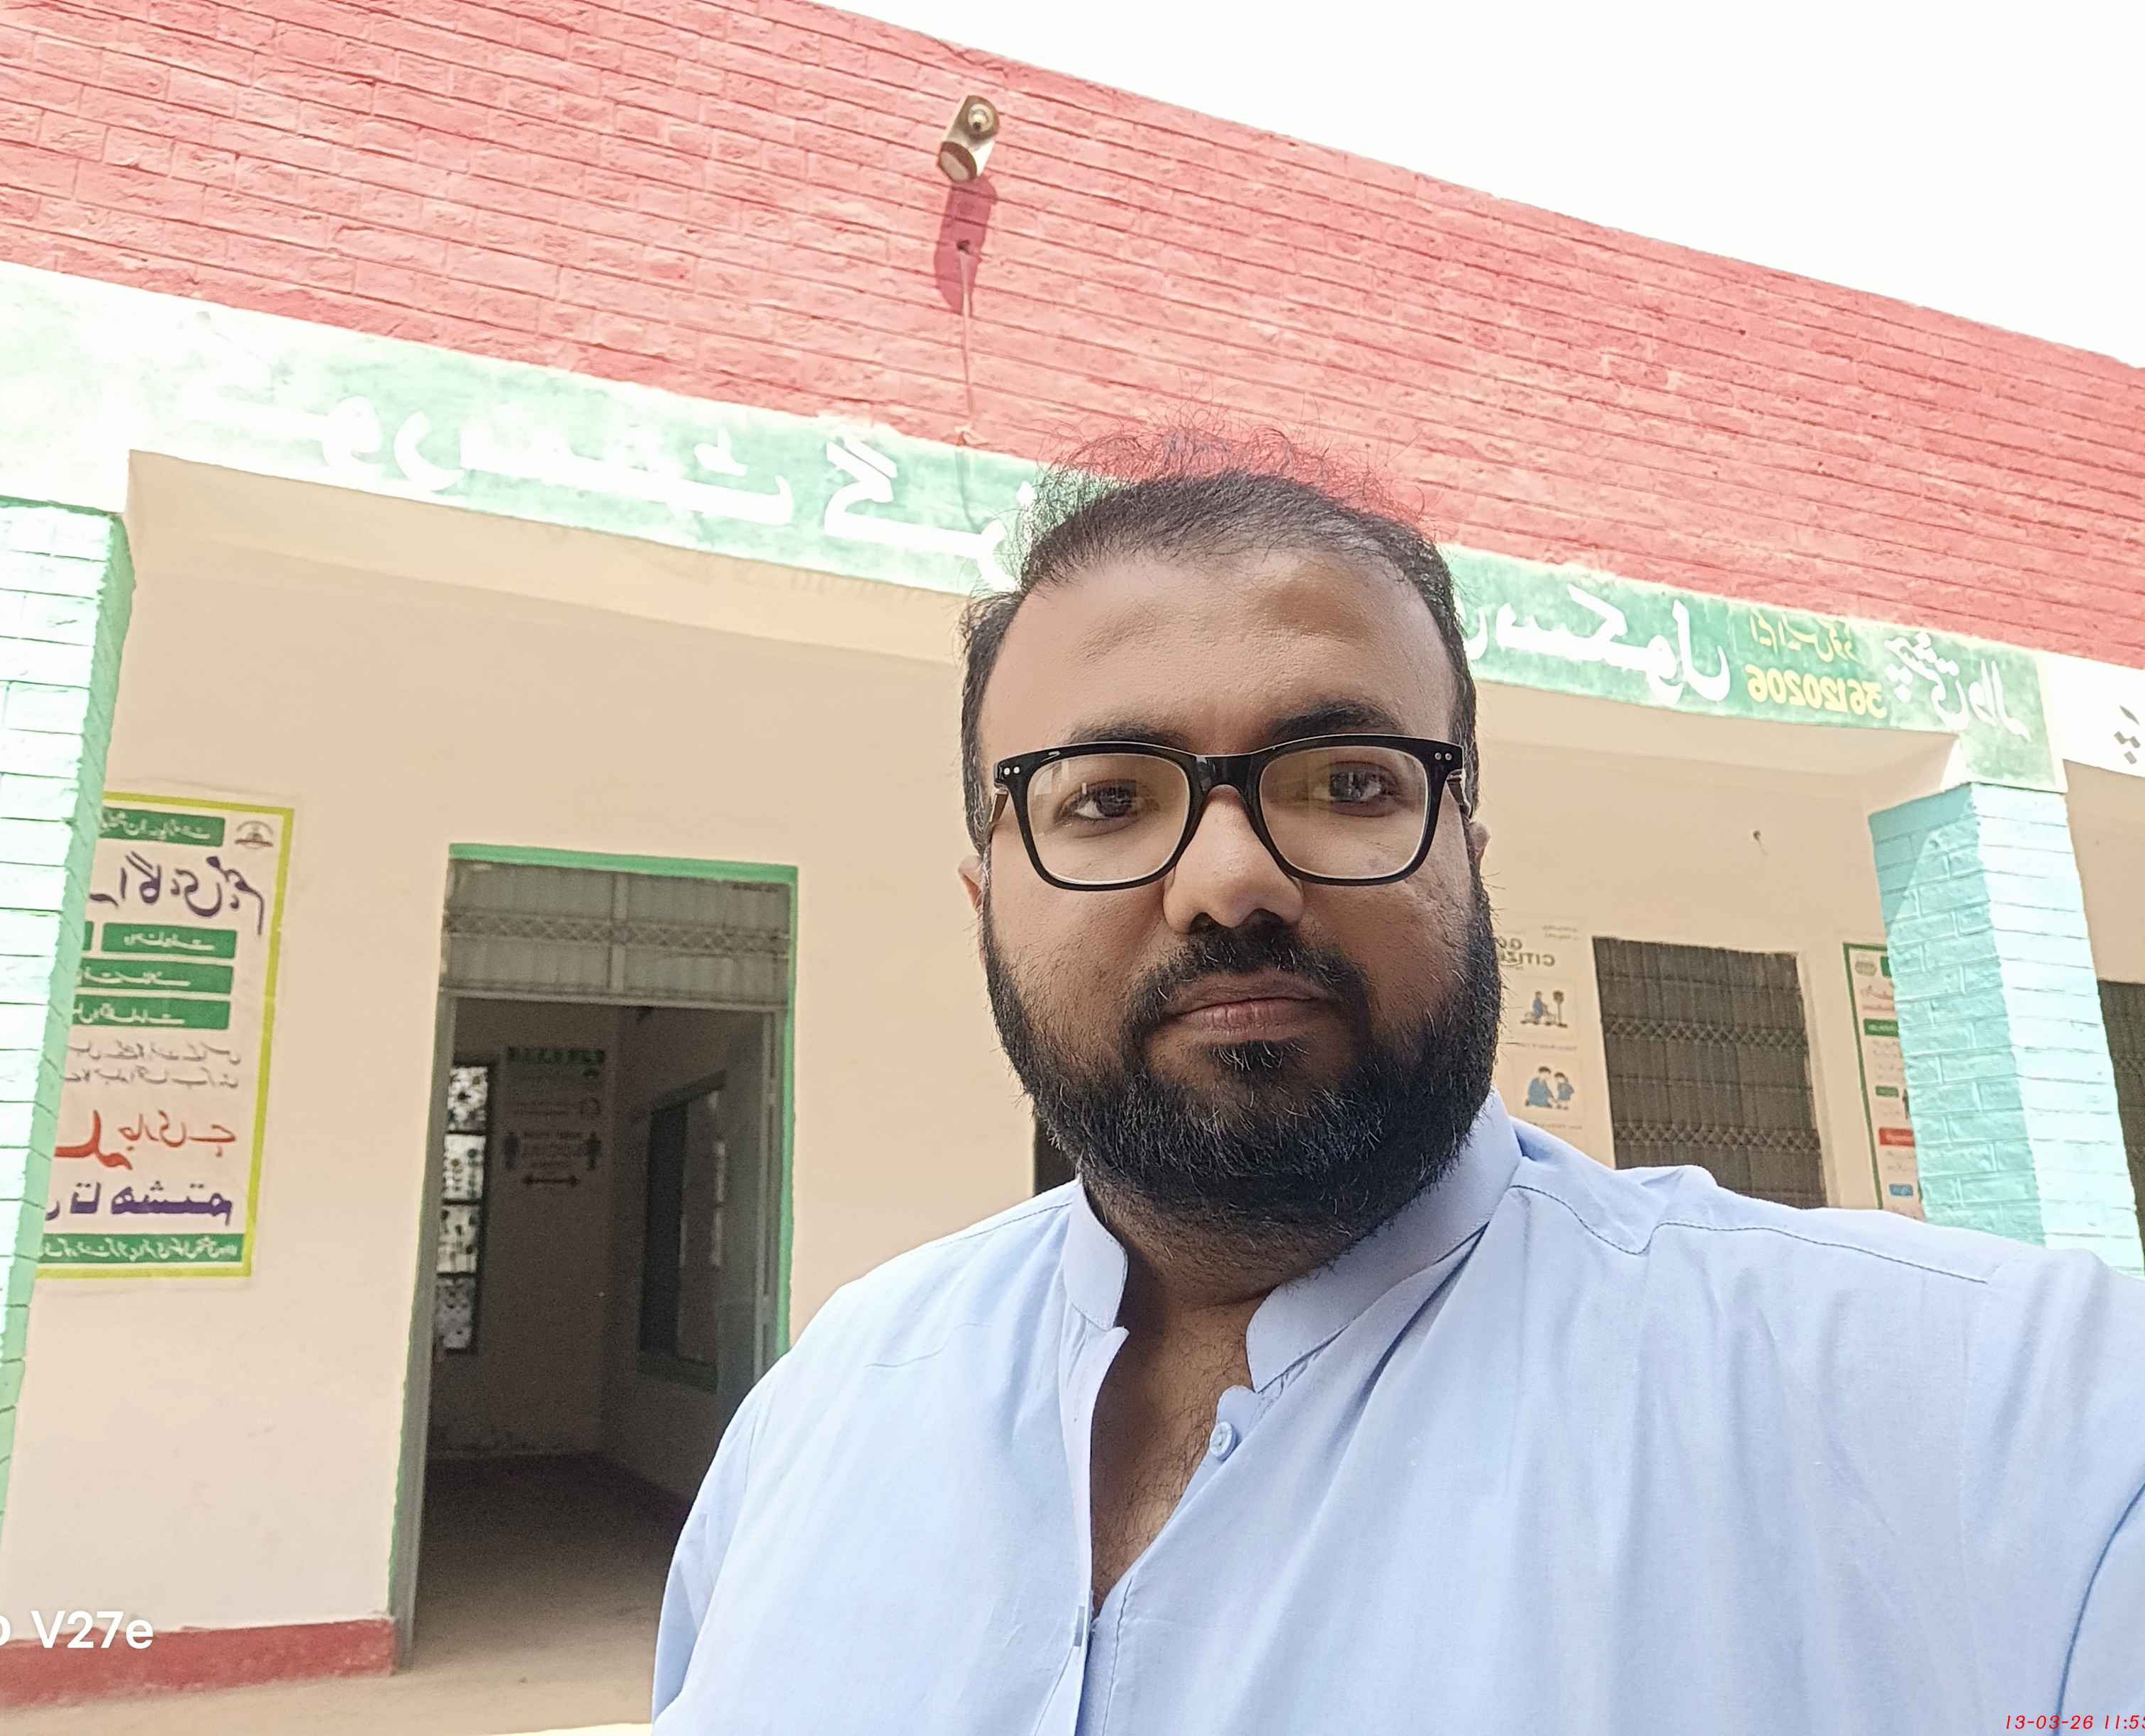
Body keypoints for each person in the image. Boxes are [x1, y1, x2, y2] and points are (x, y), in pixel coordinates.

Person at [650, 428, 2145, 1732]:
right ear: (987, 899)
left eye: (1352, 782)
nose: (1230, 880)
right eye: (1106, 800)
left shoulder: (2002, 1427)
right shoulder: (823, 1415)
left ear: (1468, 857)